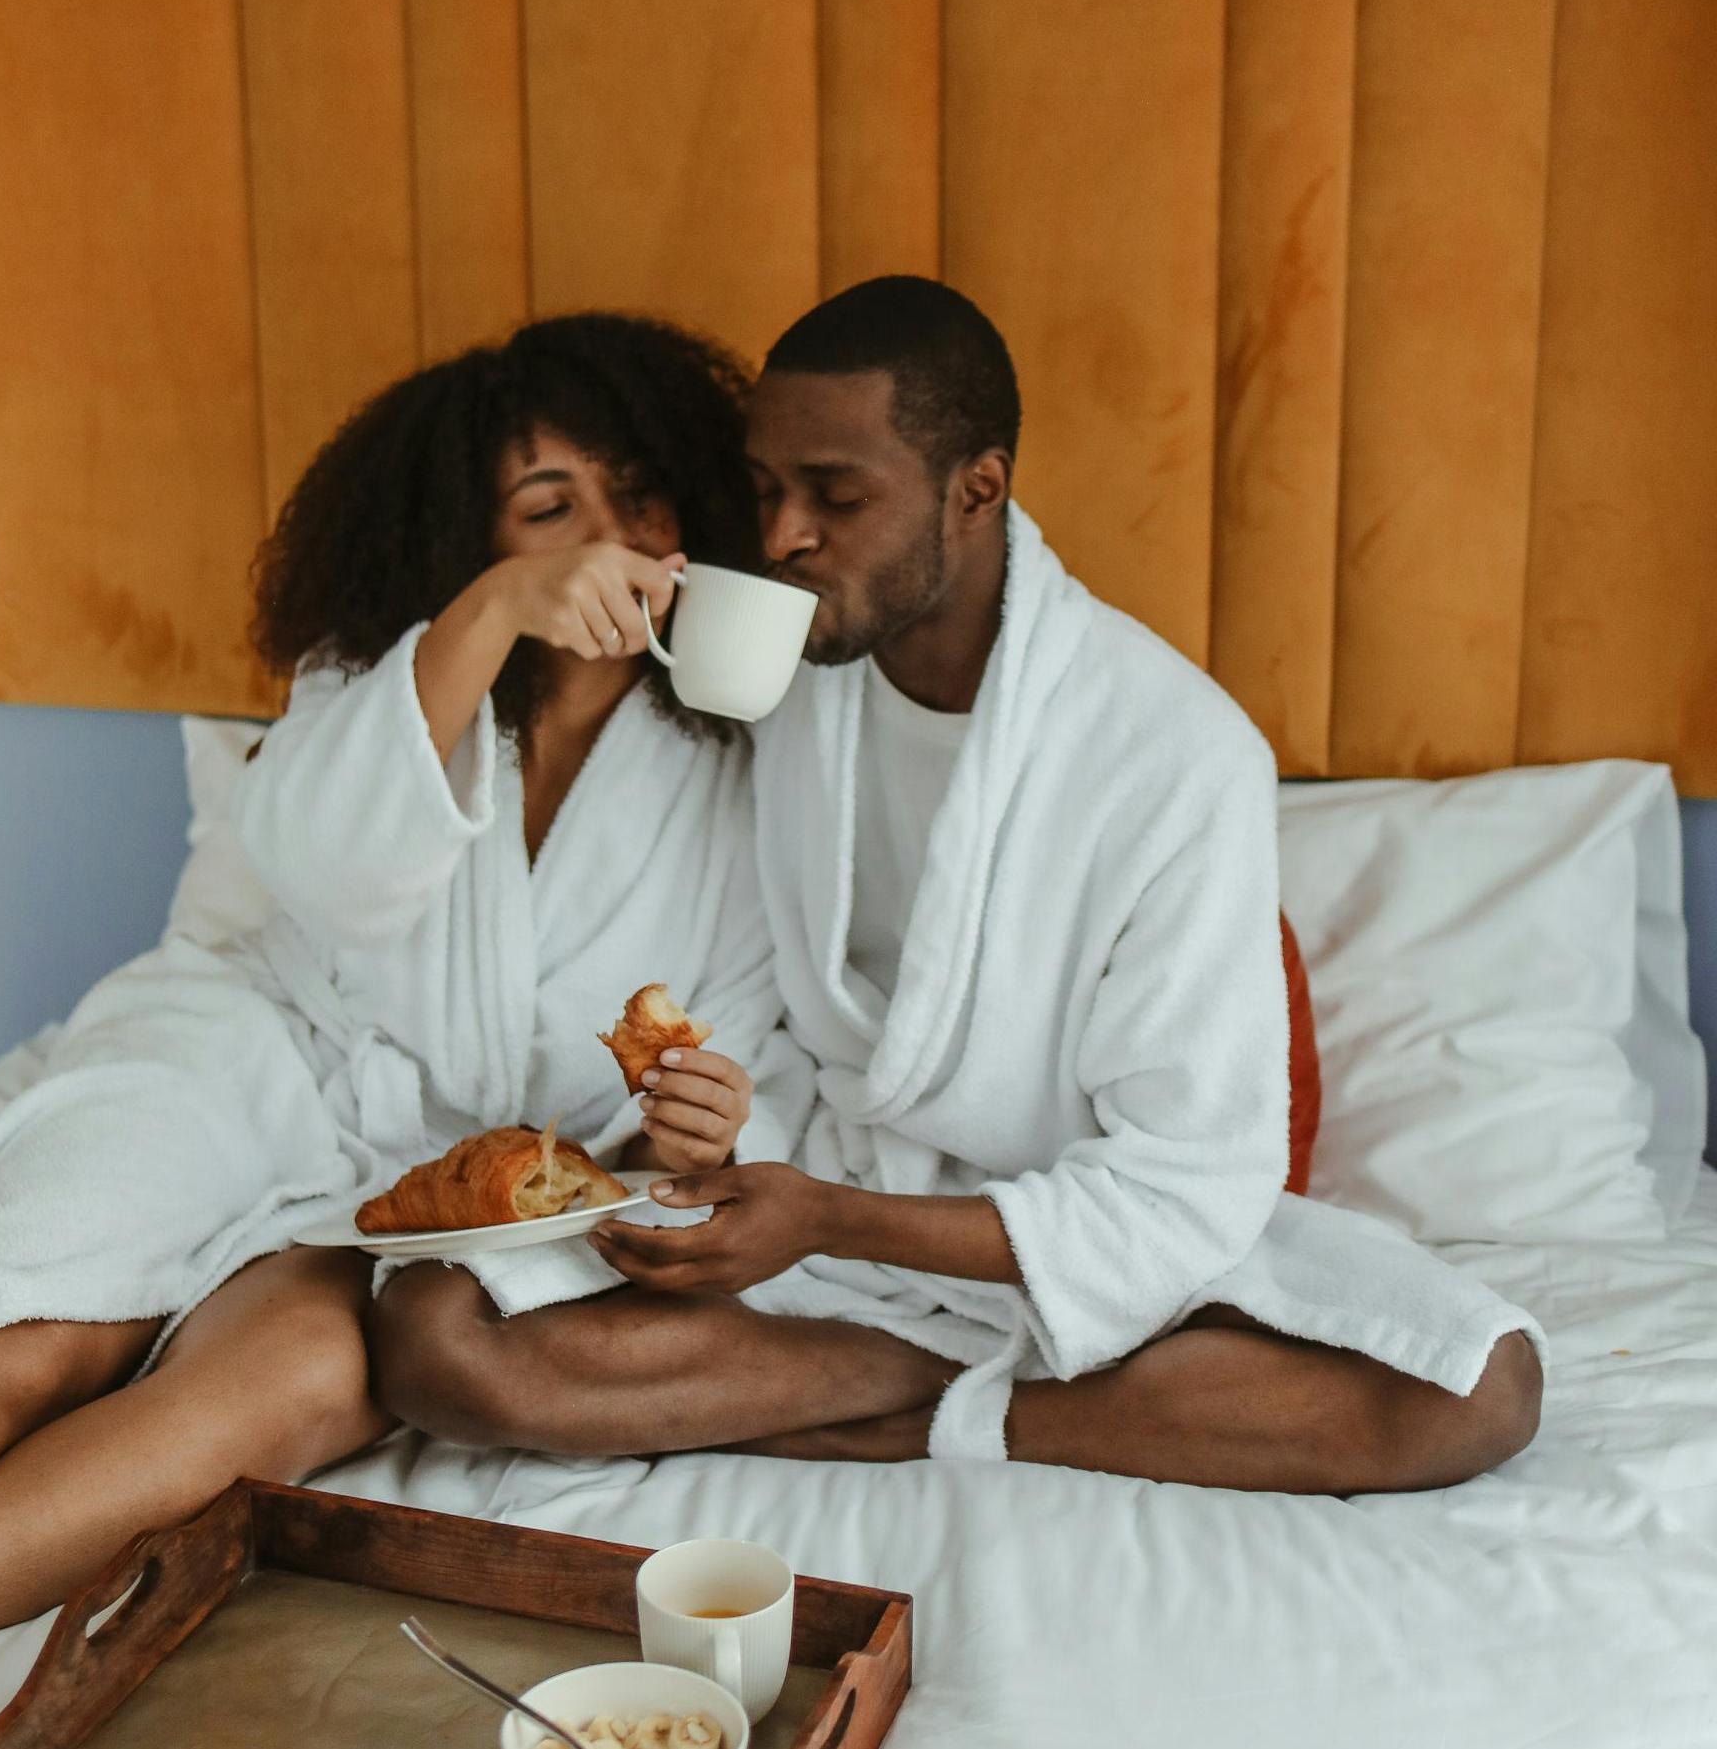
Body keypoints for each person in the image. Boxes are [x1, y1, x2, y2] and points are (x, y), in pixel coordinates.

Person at [0, 312, 844, 1721]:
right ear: (475, 543)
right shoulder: (384, 673)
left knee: (289, 1388)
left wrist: (708, 1116)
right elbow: (316, 865)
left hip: (449, 1188)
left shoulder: (752, 761)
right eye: (548, 510)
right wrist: (495, 614)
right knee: (20, 1318)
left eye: (640, 494)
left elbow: (743, 1046)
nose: (610, 538)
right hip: (251, 1055)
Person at [371, 276, 1546, 1492]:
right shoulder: (787, 680)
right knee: (430, 1339)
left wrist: (828, 1219)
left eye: (834, 496)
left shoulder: (1172, 754)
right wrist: (727, 1136)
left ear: (975, 488)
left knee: (1473, 1387)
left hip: (1052, 1242)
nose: (779, 538)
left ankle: (906, 1395)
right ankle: (953, 1384)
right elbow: (742, 994)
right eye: (765, 489)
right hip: (803, 1205)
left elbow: (1188, 1181)